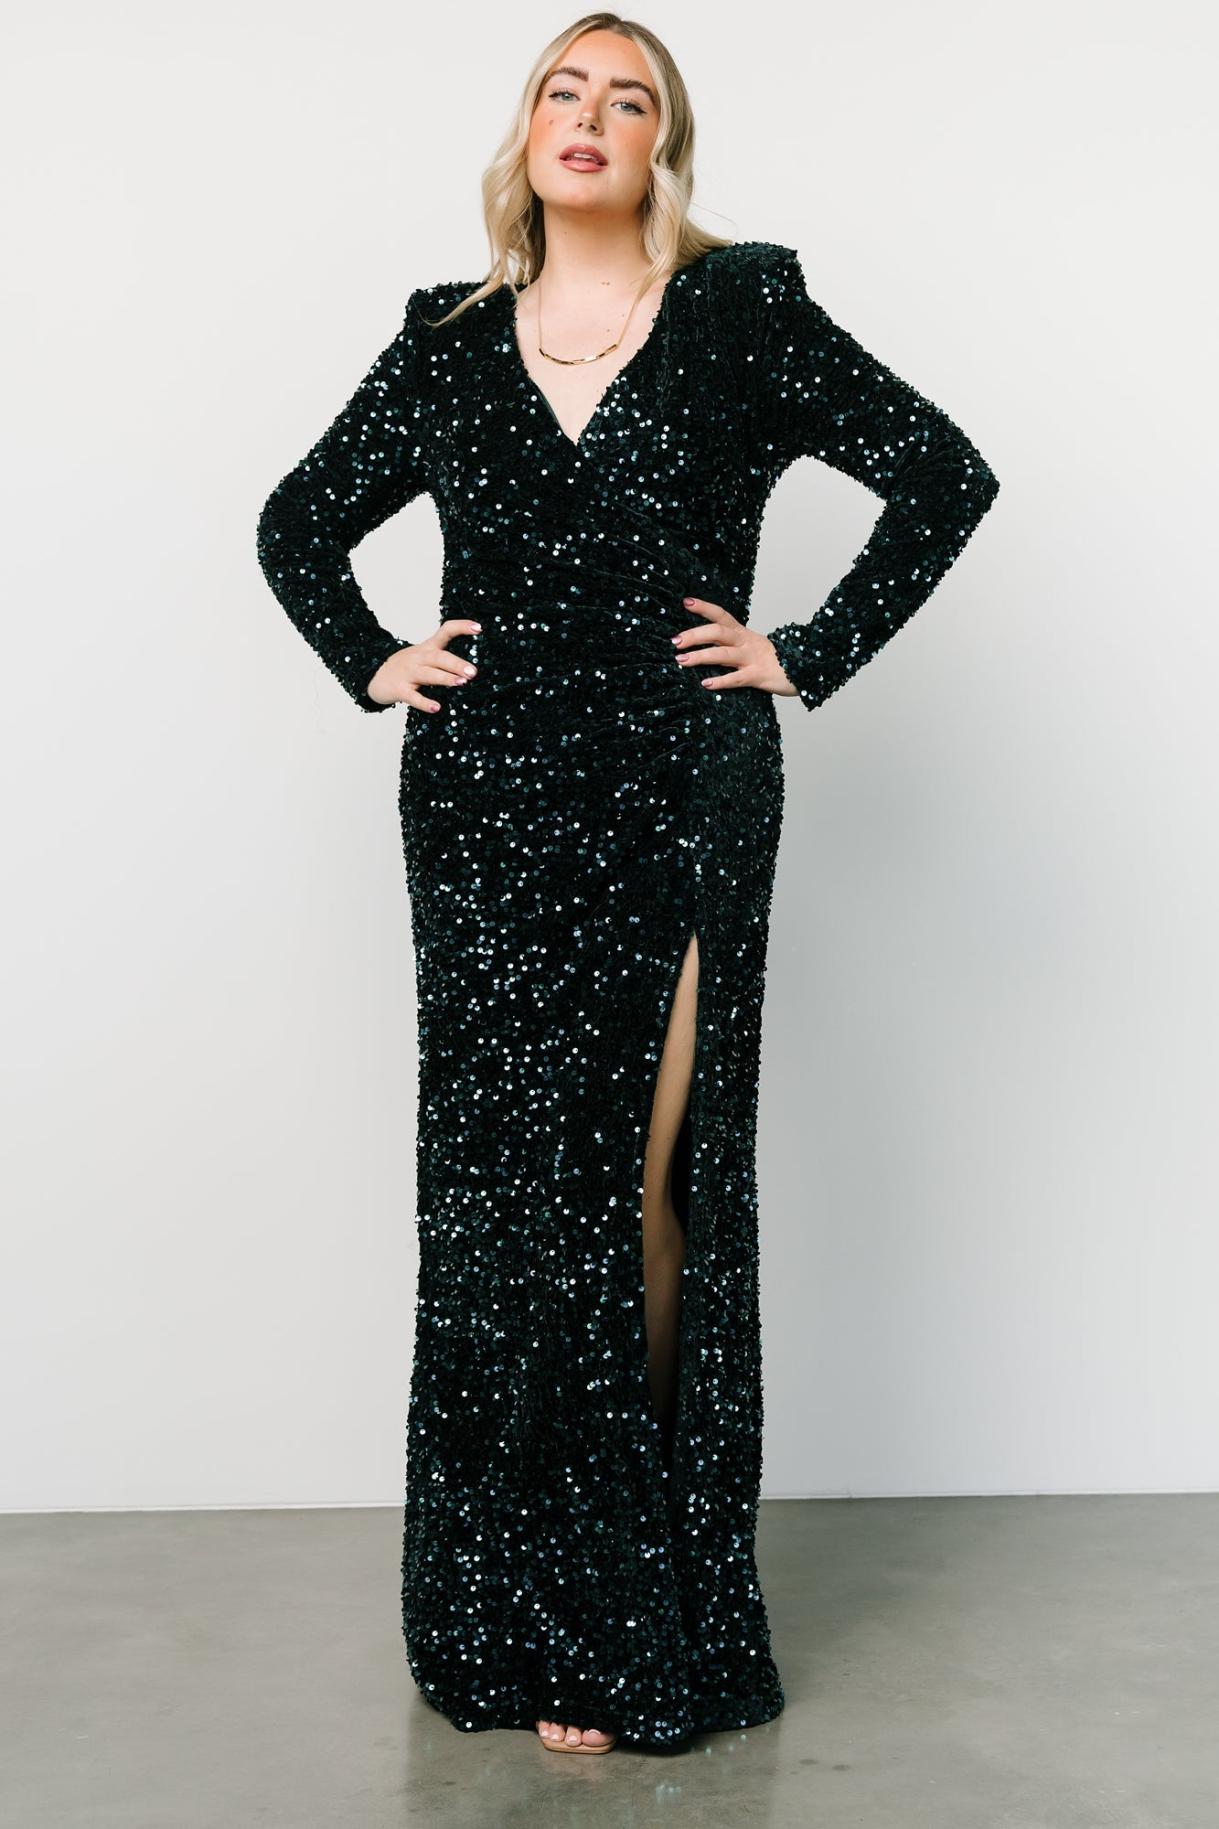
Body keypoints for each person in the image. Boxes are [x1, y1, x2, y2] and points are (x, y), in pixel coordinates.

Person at [255, 13, 1000, 1759]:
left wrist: (805, 647)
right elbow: (296, 522)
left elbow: (943, 475)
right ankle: (509, 1608)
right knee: (508, 1209)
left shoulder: (744, 315)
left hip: (680, 793)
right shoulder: (445, 344)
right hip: (486, 812)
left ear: (666, 145)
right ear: (526, 132)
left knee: (642, 1183)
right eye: (562, 90)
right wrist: (376, 657)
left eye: (629, 97)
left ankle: (628, 1599)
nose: (589, 115)